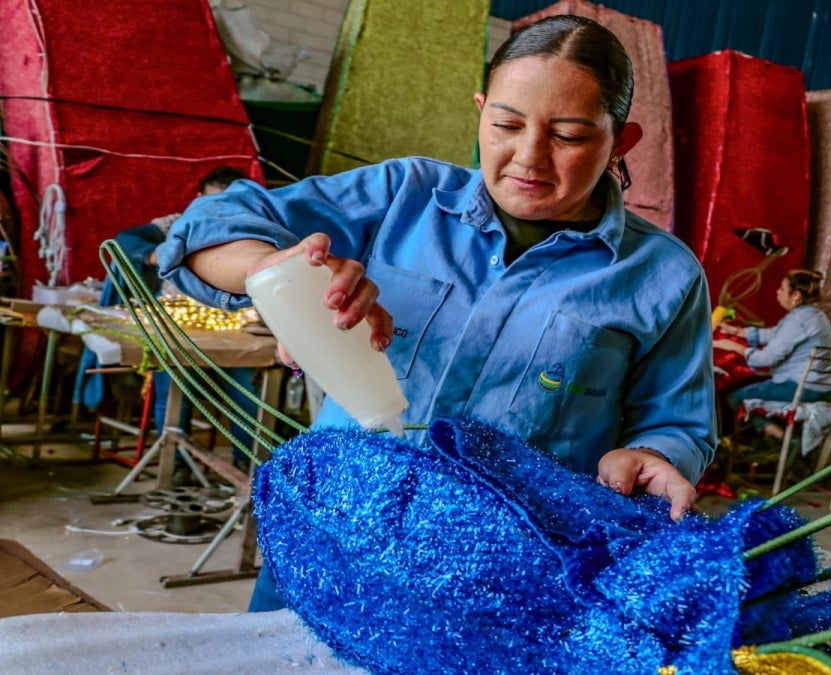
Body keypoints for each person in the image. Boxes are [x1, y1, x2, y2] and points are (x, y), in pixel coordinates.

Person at [157, 16, 715, 610]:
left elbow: (678, 422)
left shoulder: (662, 274)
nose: (529, 156)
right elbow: (207, 228)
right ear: (480, 111)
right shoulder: (404, 195)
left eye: (570, 136)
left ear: (620, 141)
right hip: (334, 536)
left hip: (506, 579)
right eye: (505, 124)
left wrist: (651, 457)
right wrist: (278, 272)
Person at [113, 166, 258, 476]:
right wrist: (153, 255)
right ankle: (177, 465)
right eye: (211, 203)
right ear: (198, 200)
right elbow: (125, 241)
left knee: (246, 391)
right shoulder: (175, 226)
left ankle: (247, 464)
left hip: (231, 326)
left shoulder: (251, 230)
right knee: (175, 388)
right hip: (180, 324)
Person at [713, 270, 831, 439]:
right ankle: (781, 439)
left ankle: (783, 440)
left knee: (735, 398)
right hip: (824, 386)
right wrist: (735, 330)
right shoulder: (812, 315)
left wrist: (734, 347)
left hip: (804, 389)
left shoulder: (799, 320)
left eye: (782, 288)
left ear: (795, 295)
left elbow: (766, 358)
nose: (777, 292)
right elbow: (775, 334)